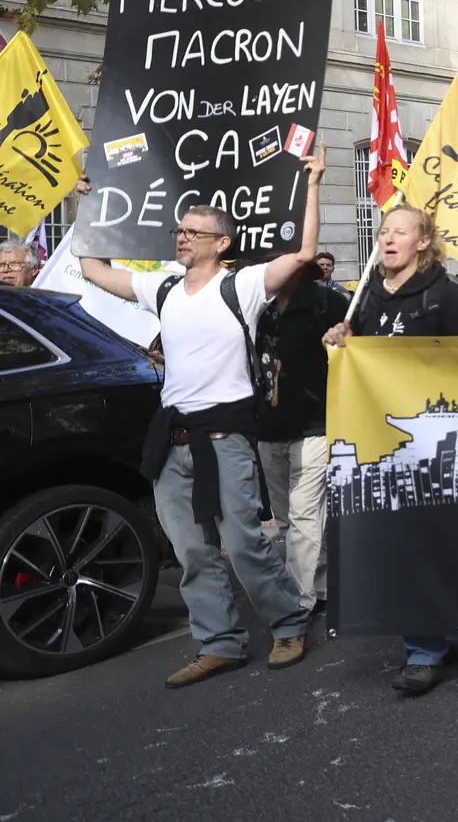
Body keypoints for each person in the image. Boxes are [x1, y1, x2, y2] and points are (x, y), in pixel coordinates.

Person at [78, 144, 327, 688]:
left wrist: (311, 183)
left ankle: (289, 623)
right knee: (192, 550)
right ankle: (220, 644)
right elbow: (92, 268)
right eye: (180, 230)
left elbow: (304, 253)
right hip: (173, 441)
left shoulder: (241, 285)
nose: (182, 237)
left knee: (244, 543)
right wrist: (87, 204)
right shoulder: (163, 287)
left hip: (225, 438)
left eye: (194, 231)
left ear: (222, 243)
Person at [321, 204, 458, 694]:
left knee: (432, 543)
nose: (388, 239)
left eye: (400, 232)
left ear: (423, 242)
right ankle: (431, 643)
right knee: (404, 545)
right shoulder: (365, 294)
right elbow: (353, 356)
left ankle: (433, 642)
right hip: (383, 439)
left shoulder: (443, 294)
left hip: (436, 441)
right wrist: (340, 339)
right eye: (384, 231)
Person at [255, 258, 348, 614]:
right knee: (287, 519)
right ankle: (320, 587)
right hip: (269, 427)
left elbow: (360, 347)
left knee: (304, 515)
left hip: (316, 427)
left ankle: (297, 603)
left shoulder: (328, 302)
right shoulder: (256, 304)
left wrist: (344, 338)